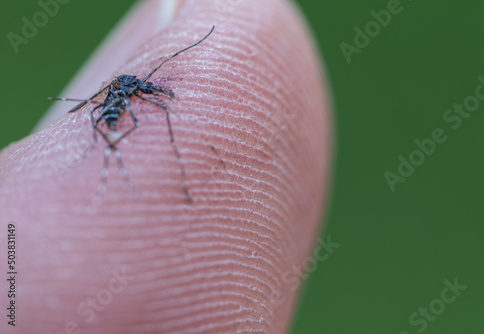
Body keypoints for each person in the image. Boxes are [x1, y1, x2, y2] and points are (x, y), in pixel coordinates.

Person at [0, 0, 332, 332]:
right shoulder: (125, 92)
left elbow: (126, 93)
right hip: (111, 110)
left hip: (114, 103)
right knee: (126, 124)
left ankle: (100, 152)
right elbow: (108, 99)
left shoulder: (129, 87)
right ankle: (96, 158)